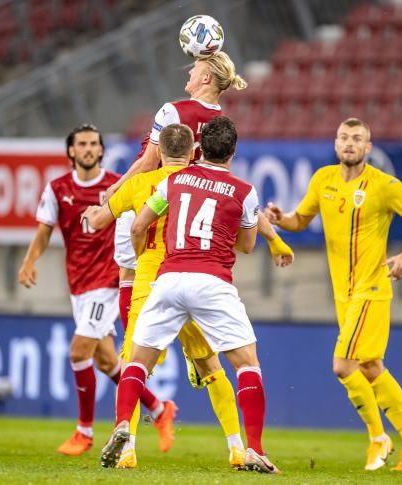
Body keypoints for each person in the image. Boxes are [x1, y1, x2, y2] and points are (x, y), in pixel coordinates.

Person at [84, 123, 274, 469]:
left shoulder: (167, 183)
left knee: (136, 363)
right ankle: (244, 447)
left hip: (160, 280)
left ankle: (125, 436)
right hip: (210, 281)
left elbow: (134, 226)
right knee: (234, 364)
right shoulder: (242, 191)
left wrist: (139, 252)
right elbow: (246, 244)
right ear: (196, 151)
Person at [265, 118, 402, 472]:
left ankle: (378, 437)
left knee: (343, 366)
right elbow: (302, 219)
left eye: (357, 138)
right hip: (344, 294)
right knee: (372, 367)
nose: (349, 143)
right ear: (335, 143)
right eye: (344, 137)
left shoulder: (384, 186)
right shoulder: (323, 179)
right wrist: (283, 220)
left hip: (371, 289)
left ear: (368, 147)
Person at [107, 52, 293, 346]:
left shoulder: (173, 111)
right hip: (186, 211)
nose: (189, 72)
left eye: (194, 68)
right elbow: (226, 185)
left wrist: (115, 188)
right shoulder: (221, 123)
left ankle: (133, 356)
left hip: (151, 198)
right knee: (176, 288)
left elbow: (147, 163)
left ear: (206, 77)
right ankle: (197, 354)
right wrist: (274, 238)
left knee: (130, 274)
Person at [18, 124, 173, 457]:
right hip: (79, 284)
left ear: (101, 150)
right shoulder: (57, 189)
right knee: (105, 361)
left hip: (107, 280)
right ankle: (159, 410)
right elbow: (44, 230)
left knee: (78, 352)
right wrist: (30, 261)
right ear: (71, 152)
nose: (89, 149)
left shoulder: (118, 186)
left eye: (94, 144)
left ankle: (84, 431)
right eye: (82, 144)